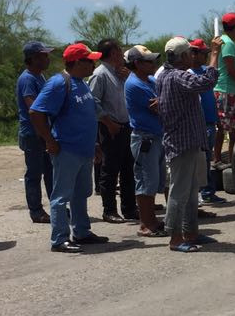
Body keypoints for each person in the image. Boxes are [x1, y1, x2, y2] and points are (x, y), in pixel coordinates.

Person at [29, 42, 108, 254]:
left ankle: (82, 232)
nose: (94, 64)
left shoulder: (81, 83)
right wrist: (49, 140)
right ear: (77, 62)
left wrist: (95, 144)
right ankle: (59, 239)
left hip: (84, 150)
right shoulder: (58, 83)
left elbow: (87, 117)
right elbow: (36, 112)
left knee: (81, 193)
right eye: (90, 61)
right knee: (61, 196)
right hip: (67, 150)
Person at [156, 36, 219, 252]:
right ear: (184, 56)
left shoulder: (165, 75)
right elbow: (206, 82)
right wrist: (214, 55)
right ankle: (175, 237)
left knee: (190, 191)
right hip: (181, 142)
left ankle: (190, 232)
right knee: (180, 191)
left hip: (186, 140)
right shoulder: (176, 76)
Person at [88, 38, 136, 224]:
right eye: (119, 51)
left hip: (125, 126)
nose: (122, 55)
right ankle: (109, 210)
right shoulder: (100, 74)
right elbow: (93, 102)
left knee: (127, 170)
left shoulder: (120, 73)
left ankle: (129, 208)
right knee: (109, 171)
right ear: (114, 53)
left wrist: (128, 76)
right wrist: (108, 123)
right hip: (110, 127)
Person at [124, 45, 164, 237]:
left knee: (153, 180)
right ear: (137, 64)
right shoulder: (135, 84)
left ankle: (152, 220)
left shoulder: (149, 80)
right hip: (145, 138)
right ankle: (146, 223)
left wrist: (164, 100)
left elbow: (163, 100)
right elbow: (160, 107)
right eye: (148, 61)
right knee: (146, 181)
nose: (153, 64)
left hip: (155, 136)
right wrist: (165, 101)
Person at [16, 40, 54, 224]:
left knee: (50, 171)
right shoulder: (28, 79)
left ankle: (56, 206)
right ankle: (36, 211)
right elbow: (34, 108)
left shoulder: (40, 77)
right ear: (33, 58)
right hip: (33, 133)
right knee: (34, 173)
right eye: (43, 55)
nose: (47, 58)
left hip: (43, 132)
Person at [190, 38, 226, 205]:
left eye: (206, 53)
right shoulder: (189, 73)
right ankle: (203, 192)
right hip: (200, 124)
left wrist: (217, 118)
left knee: (207, 159)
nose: (204, 56)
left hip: (210, 121)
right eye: (202, 53)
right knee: (201, 160)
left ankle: (207, 191)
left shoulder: (205, 70)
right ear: (193, 54)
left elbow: (211, 96)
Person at [212, 12, 235, 165]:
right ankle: (222, 159)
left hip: (229, 89)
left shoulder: (226, 41)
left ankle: (226, 159)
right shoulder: (228, 43)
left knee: (229, 127)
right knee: (227, 128)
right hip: (226, 90)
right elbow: (231, 70)